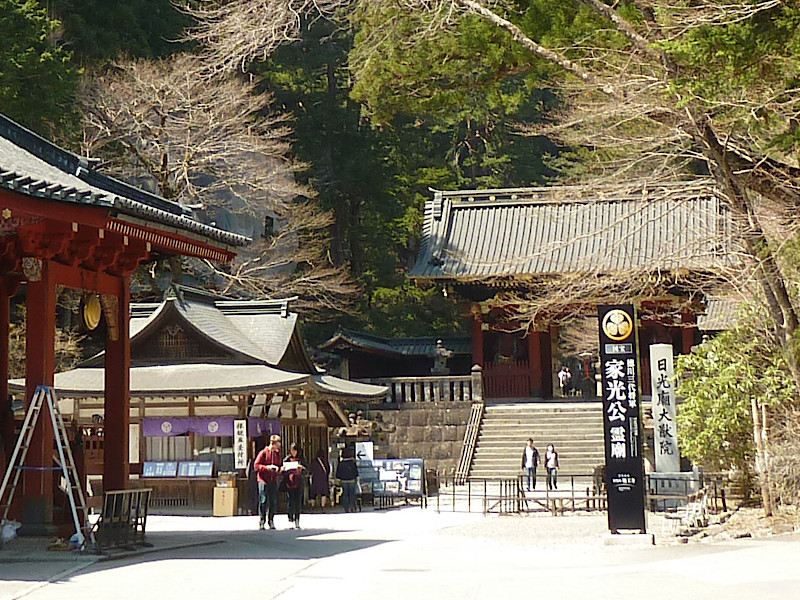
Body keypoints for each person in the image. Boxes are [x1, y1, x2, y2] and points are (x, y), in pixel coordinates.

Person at [253, 434, 283, 530]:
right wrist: (267, 468)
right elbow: (256, 465)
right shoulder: (263, 453)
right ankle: (262, 521)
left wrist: (279, 469)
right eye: (278, 443)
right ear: (272, 443)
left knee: (273, 501)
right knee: (263, 500)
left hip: (273, 480)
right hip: (263, 480)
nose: (279, 445)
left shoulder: (277, 454)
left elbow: (280, 465)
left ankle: (271, 520)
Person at [283, 443, 307, 529]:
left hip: (298, 483)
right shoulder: (288, 459)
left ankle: (297, 519)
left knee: (298, 502)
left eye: (294, 450)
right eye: (292, 450)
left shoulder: (301, 459)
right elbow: (283, 469)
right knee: (290, 502)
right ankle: (290, 518)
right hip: (289, 483)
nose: (293, 452)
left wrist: (301, 468)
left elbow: (306, 469)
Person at [335, 446, 359, 513]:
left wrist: (338, 479)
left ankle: (346, 508)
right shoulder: (352, 463)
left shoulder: (341, 463)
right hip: (352, 481)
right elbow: (356, 472)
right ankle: (351, 506)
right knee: (352, 494)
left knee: (345, 494)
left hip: (344, 481)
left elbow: (338, 473)